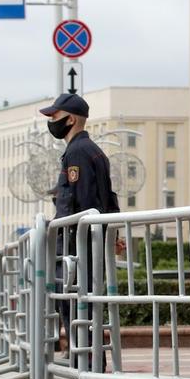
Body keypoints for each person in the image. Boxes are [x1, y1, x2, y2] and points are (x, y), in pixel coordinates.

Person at [40, 93, 120, 362]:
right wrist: (112, 233)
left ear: (70, 119)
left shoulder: (77, 152)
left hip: (76, 248)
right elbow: (108, 200)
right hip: (84, 246)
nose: (52, 122)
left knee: (76, 313)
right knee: (82, 315)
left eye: (54, 117)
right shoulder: (91, 150)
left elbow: (82, 203)